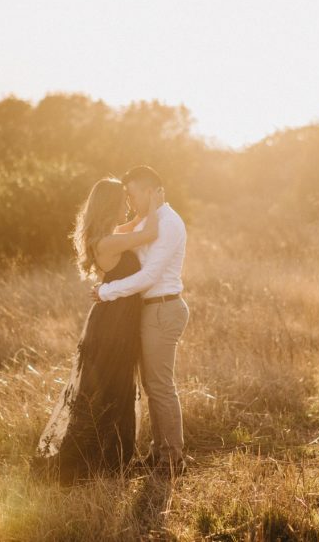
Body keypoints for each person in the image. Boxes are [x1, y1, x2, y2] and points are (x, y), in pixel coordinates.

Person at [32, 176, 165, 485]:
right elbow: (151, 231)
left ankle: (110, 462)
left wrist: (140, 208)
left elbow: (134, 227)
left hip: (115, 319)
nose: (128, 205)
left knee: (111, 390)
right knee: (109, 392)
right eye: (123, 201)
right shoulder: (108, 241)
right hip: (112, 325)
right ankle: (100, 465)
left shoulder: (108, 235)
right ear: (111, 206)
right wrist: (154, 197)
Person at [91, 165, 189, 476]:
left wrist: (106, 292)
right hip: (152, 310)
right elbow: (116, 238)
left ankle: (173, 459)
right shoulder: (149, 220)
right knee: (153, 386)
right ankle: (159, 453)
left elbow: (148, 276)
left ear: (150, 191)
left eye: (132, 194)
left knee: (160, 386)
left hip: (163, 308)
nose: (130, 201)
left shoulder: (169, 223)